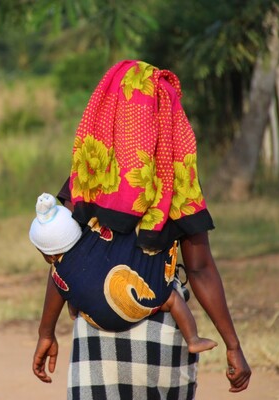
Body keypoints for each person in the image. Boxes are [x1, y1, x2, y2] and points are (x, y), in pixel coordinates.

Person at [31, 60, 251, 399]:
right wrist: (232, 345)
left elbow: (65, 259)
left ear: (110, 111)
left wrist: (47, 332)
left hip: (95, 336)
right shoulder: (178, 184)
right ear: (168, 117)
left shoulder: (89, 176)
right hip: (161, 335)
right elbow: (200, 268)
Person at [29, 192, 217, 354]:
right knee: (171, 299)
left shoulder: (58, 272)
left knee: (74, 292)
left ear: (47, 254)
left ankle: (76, 303)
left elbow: (61, 289)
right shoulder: (90, 242)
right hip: (139, 307)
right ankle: (193, 340)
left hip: (97, 321)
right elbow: (200, 268)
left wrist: (46, 332)